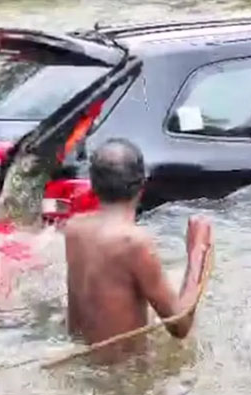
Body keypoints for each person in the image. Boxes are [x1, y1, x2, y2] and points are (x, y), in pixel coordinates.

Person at [64, 138, 212, 363]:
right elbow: (180, 325)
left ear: (92, 185)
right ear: (142, 185)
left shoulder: (74, 229)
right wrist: (197, 251)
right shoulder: (133, 242)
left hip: (83, 361)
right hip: (122, 378)